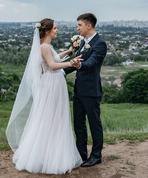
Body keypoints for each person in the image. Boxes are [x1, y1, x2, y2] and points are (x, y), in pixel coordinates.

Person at [6, 18, 83, 174]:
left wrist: (69, 52)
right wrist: (71, 63)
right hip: (51, 83)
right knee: (51, 118)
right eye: (55, 28)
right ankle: (48, 156)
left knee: (54, 117)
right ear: (47, 31)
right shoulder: (44, 47)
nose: (57, 30)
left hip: (53, 82)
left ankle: (50, 153)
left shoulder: (47, 46)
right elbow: (53, 66)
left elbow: (53, 59)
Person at [64, 13, 107, 167]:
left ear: (89, 26)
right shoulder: (83, 43)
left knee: (94, 124)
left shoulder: (100, 44)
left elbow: (91, 64)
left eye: (80, 25)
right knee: (79, 124)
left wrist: (78, 65)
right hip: (79, 91)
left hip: (91, 91)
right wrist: (59, 72)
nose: (77, 28)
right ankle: (81, 154)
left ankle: (96, 156)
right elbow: (77, 61)